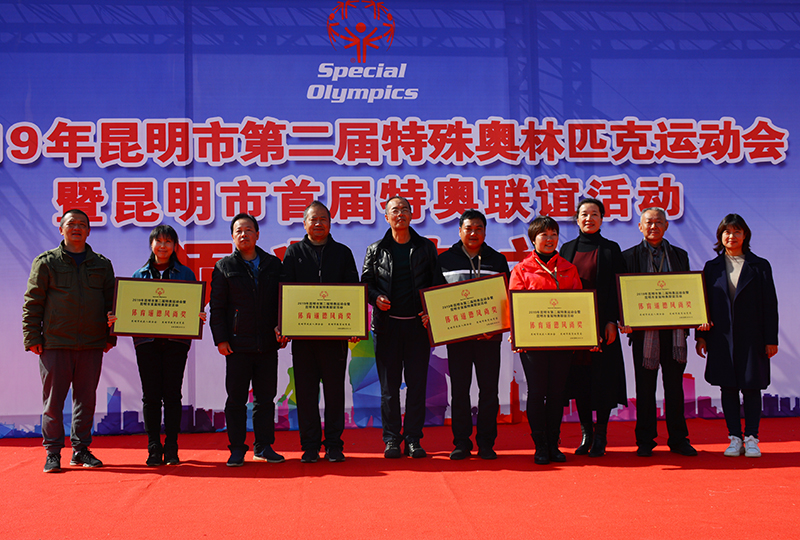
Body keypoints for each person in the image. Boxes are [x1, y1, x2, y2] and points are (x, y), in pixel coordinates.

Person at [23, 209, 116, 473]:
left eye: (82, 224)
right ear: (61, 229)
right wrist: (32, 337)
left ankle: (81, 449)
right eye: (71, 224)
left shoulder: (102, 264)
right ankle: (53, 452)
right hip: (55, 343)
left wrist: (110, 337)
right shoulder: (46, 262)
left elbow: (112, 304)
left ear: (89, 231)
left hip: (91, 343)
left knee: (86, 400)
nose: (76, 228)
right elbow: (33, 302)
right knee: (53, 402)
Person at [107, 225, 206, 466]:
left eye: (168, 242)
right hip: (146, 343)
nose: (163, 246)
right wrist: (118, 316)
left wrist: (198, 315)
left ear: (175, 246)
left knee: (172, 395)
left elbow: (194, 305)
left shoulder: (186, 274)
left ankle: (171, 447)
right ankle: (153, 447)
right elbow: (129, 307)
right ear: (151, 245)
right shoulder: (139, 274)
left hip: (176, 343)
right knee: (151, 396)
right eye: (158, 241)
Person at [361, 196, 444, 458]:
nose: (400, 214)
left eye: (405, 209)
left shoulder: (425, 247)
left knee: (417, 386)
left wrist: (431, 311)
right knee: (389, 389)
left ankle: (413, 439)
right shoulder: (376, 249)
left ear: (411, 214)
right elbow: (365, 284)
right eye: (394, 210)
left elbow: (437, 283)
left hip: (417, 328)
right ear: (386, 217)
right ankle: (391, 439)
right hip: (387, 329)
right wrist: (376, 298)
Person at [279, 201, 360, 463]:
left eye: (323, 219)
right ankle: (310, 446)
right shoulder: (293, 253)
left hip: (335, 339)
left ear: (330, 223)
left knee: (335, 394)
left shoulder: (342, 253)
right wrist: (283, 325)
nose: (318, 223)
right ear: (304, 223)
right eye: (313, 219)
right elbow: (285, 292)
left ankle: (334, 445)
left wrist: (355, 326)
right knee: (306, 394)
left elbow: (353, 291)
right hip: (304, 339)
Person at [696, 214, 778, 458]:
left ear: (745, 235)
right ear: (720, 236)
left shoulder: (759, 266)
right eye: (726, 232)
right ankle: (734, 438)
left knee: (752, 387)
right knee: (728, 388)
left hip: (753, 338)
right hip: (721, 338)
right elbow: (702, 304)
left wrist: (771, 339)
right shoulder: (711, 267)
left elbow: (770, 304)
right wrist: (701, 337)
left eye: (736, 232)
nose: (731, 236)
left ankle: (751, 438)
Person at [210, 213, 286, 467]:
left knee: (265, 399)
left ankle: (263, 446)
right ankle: (236, 449)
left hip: (267, 344)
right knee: (236, 400)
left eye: (248, 230)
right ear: (233, 237)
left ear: (257, 234)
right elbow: (217, 307)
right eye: (239, 231)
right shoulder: (224, 267)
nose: (244, 234)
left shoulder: (273, 265)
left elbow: (283, 301)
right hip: (237, 345)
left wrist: (284, 328)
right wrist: (221, 339)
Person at [620, 208, 697, 457]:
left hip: (674, 333)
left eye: (658, 222)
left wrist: (696, 317)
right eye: (648, 222)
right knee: (645, 389)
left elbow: (688, 290)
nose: (653, 226)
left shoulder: (679, 255)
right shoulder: (628, 256)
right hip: (644, 334)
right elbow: (622, 293)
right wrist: (624, 319)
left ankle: (678, 439)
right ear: (640, 227)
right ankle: (645, 440)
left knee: (675, 388)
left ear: (666, 226)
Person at [509, 216, 582, 465]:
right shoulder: (522, 270)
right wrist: (517, 333)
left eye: (553, 234)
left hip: (562, 342)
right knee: (537, 391)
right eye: (544, 235)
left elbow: (579, 304)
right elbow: (515, 306)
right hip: (533, 343)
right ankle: (539, 444)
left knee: (556, 393)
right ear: (533, 239)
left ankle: (553, 442)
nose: (549, 239)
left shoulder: (569, 268)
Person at [438, 209, 510, 460]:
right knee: (460, 391)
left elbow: (505, 299)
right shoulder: (445, 260)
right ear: (460, 231)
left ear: (485, 232)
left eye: (479, 229)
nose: (473, 233)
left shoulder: (497, 260)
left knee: (489, 391)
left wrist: (497, 325)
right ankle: (461, 443)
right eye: (468, 228)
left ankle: (486, 443)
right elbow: (437, 298)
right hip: (458, 339)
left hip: (489, 338)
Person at [560, 198, 627, 457]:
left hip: (602, 326)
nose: (589, 218)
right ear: (577, 219)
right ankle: (586, 433)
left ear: (602, 218)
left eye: (594, 214)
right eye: (584, 214)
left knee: (603, 381)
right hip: (575, 328)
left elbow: (618, 288)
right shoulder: (566, 249)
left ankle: (601, 435)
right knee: (580, 382)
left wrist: (612, 321)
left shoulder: (611, 249)